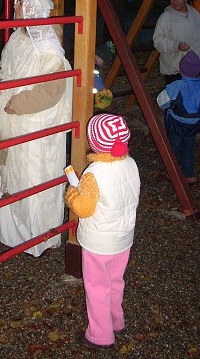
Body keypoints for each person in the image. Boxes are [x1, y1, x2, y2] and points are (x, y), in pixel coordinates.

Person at [0, 0, 73, 257]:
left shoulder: (47, 44)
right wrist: (1, 80)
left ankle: (38, 238)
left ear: (33, 7)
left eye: (20, 2)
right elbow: (8, 66)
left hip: (36, 123)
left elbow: (53, 87)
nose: (15, 6)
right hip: (15, 117)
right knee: (14, 175)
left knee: (35, 177)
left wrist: (19, 103)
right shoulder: (18, 37)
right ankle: (14, 233)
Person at [65, 113, 140, 351]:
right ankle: (117, 320)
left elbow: (83, 209)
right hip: (124, 238)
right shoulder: (131, 163)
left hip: (99, 243)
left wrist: (72, 193)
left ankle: (100, 335)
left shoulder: (93, 174)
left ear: (94, 143)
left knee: (97, 287)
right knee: (116, 280)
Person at [156, 51, 200, 184]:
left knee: (174, 147)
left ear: (181, 69)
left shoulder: (176, 85)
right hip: (194, 125)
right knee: (189, 147)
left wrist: (169, 106)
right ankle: (188, 174)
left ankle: (172, 173)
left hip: (176, 124)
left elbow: (161, 101)